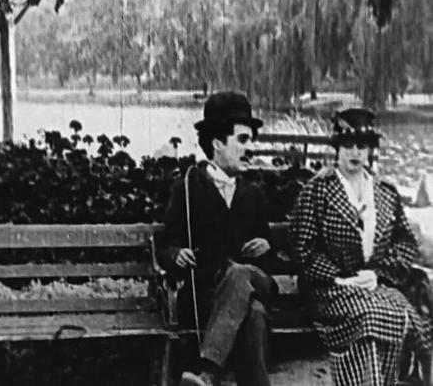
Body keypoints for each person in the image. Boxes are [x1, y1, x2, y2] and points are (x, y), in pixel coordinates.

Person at [289, 108, 431, 386]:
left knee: (399, 315)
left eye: (362, 146)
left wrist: (378, 273)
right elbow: (303, 249)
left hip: (376, 286)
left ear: (369, 150)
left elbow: (405, 242)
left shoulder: (385, 191)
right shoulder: (316, 191)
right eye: (348, 145)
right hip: (329, 289)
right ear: (337, 149)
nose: (355, 152)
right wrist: (339, 277)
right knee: (371, 317)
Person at [157, 91, 276, 386]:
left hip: (257, 283)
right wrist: (176, 254)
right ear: (217, 143)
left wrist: (266, 246)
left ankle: (208, 372)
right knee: (254, 316)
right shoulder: (187, 188)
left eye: (251, 141)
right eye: (242, 140)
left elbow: (271, 256)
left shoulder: (254, 194)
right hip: (208, 297)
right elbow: (165, 245)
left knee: (239, 274)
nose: (250, 149)